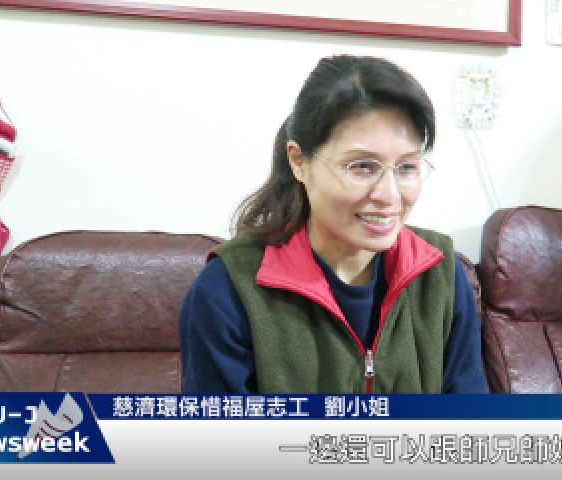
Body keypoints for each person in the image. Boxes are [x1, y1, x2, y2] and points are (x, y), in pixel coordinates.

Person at [179, 54, 488, 393]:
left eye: (407, 167)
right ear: (298, 161)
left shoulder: (440, 274)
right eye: (362, 166)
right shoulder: (227, 290)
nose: (390, 195)